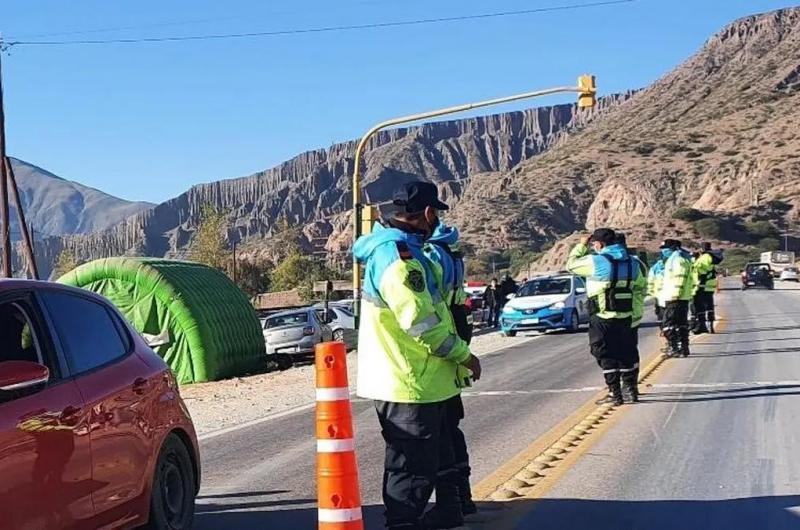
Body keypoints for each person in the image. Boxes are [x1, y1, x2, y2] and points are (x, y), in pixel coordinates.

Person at [353, 180, 482, 530]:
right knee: (409, 470)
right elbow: (421, 324)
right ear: (426, 213)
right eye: (434, 214)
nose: (435, 222)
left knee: (438, 457)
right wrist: (463, 355)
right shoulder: (397, 258)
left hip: (426, 380)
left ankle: (449, 512)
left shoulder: (415, 252)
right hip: (407, 381)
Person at [424, 222, 478, 519]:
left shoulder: (431, 256)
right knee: (452, 426)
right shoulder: (453, 255)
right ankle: (463, 497)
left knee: (441, 431)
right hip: (459, 327)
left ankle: (450, 503)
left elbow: (426, 311)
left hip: (445, 332)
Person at [567, 228, 641, 406]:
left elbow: (571, 265)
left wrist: (581, 245)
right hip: (626, 315)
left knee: (603, 352)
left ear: (599, 244)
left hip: (602, 316)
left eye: (594, 244)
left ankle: (614, 392)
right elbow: (639, 287)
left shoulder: (597, 261)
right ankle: (630, 389)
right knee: (626, 352)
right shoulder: (633, 263)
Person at [615, 232, 648, 403]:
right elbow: (643, 287)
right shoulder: (636, 263)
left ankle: (627, 386)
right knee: (630, 351)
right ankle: (631, 386)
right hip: (633, 313)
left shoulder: (623, 264)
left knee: (621, 352)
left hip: (623, 314)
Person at [658, 239, 695, 357]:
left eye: (665, 248)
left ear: (672, 248)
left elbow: (680, 277)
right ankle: (683, 348)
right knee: (681, 324)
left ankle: (674, 347)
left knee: (669, 324)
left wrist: (676, 293)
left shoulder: (677, 259)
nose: (663, 251)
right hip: (681, 297)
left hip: (675, 297)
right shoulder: (678, 258)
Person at [692, 242, 722, 334]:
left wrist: (694, 267)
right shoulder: (711, 257)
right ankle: (710, 324)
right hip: (709, 285)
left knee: (699, 306)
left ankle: (703, 325)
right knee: (709, 305)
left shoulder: (705, 257)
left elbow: (700, 269)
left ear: (702, 249)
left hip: (702, 284)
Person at [647, 254, 667, 350]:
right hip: (670, 296)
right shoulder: (673, 265)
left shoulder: (655, 267)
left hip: (659, 296)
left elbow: (650, 281)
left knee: (661, 315)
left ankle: (664, 331)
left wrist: (652, 293)